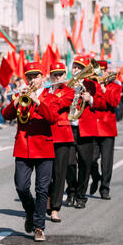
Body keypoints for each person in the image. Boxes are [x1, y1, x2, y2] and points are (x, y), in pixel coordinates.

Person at [2, 62, 59, 242]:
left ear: (43, 78)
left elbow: (52, 118)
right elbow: (6, 115)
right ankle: (30, 211)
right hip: (23, 147)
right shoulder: (21, 94)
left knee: (42, 189)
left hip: (44, 147)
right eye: (30, 77)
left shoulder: (50, 96)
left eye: (36, 76)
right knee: (21, 186)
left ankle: (39, 227)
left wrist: (37, 101)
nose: (32, 80)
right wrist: (16, 101)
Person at [64, 56, 106, 209]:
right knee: (68, 164)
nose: (75, 69)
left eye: (79, 67)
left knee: (85, 163)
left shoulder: (93, 85)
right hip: (69, 128)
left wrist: (91, 99)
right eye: (74, 66)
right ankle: (71, 191)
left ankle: (81, 196)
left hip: (85, 130)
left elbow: (103, 103)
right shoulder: (67, 85)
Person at [89, 61, 122, 200]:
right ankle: (96, 177)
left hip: (107, 128)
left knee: (107, 162)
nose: (99, 73)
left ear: (107, 72)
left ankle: (105, 188)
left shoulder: (115, 87)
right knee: (90, 159)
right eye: (98, 71)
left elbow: (113, 103)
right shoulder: (91, 86)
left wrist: (103, 88)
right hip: (93, 128)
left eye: (102, 71)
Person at [46, 62, 75, 223]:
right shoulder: (44, 90)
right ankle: (48, 199)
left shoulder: (70, 91)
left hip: (62, 136)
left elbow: (60, 104)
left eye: (60, 75)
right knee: (45, 174)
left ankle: (55, 208)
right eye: (54, 75)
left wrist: (45, 99)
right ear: (50, 76)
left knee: (59, 174)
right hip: (44, 135)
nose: (57, 77)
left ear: (65, 76)